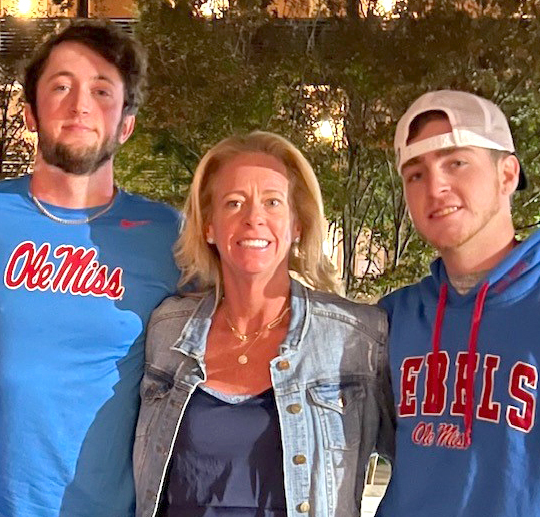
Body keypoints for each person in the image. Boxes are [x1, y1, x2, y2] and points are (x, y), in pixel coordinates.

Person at [0, 20, 180, 517]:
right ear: (31, 113)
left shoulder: (167, 234)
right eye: (60, 86)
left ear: (126, 123)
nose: (79, 104)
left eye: (102, 90)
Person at [133, 131, 394, 517]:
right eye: (234, 203)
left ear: (297, 225)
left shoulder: (357, 338)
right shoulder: (167, 329)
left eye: (272, 203)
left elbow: (427, 466)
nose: (254, 218)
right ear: (208, 227)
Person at [376, 90, 540, 516]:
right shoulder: (397, 317)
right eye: (415, 174)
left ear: (507, 174)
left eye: (456, 162)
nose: (435, 187)